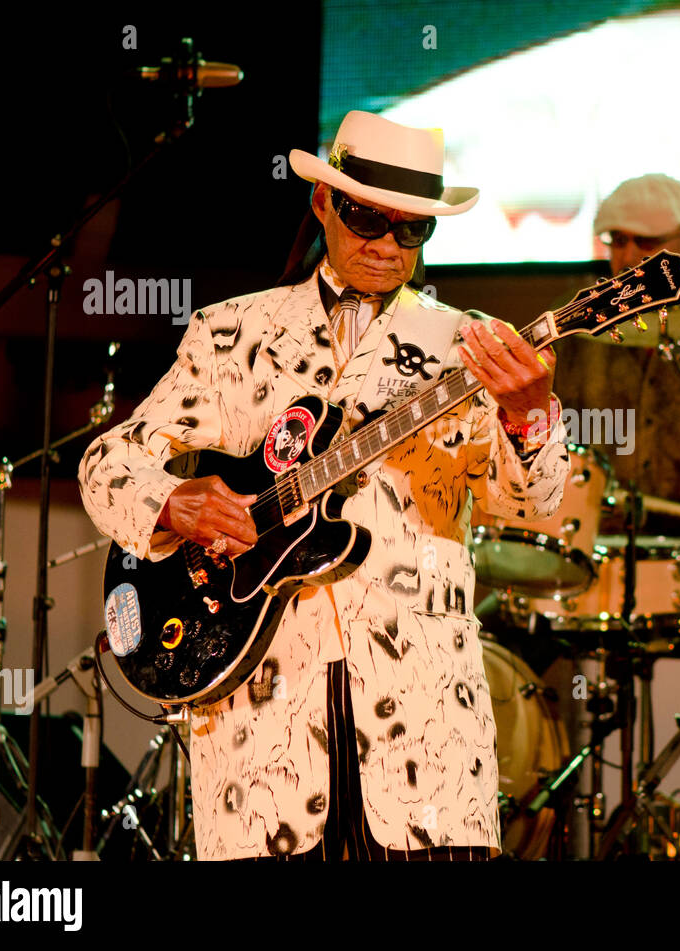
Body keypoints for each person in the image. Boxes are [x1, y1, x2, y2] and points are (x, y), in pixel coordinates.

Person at [79, 111, 570, 861]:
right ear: (323, 204)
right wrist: (175, 502)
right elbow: (107, 461)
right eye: (367, 216)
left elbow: (532, 504)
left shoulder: (469, 346)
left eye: (410, 230)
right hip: (258, 734)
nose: (383, 244)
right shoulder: (230, 332)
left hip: (426, 739)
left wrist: (530, 416)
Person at [485, 173, 680, 834]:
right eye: (616, 241)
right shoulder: (568, 333)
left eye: (647, 243)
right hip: (588, 560)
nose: (627, 257)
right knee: (477, 634)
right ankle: (492, 829)